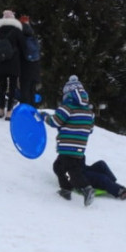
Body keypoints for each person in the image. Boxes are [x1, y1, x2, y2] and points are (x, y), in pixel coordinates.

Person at [40, 75, 96, 206]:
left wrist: (45, 116)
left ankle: (87, 189)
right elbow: (90, 129)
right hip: (80, 149)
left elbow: (55, 121)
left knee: (74, 174)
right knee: (58, 167)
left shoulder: (68, 108)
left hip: (67, 147)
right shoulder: (89, 112)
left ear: (68, 94)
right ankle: (65, 189)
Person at [0, 10, 27, 120]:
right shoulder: (17, 31)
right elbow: (23, 46)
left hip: (1, 62)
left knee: (2, 86)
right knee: (12, 87)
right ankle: (9, 111)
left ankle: (0, 109)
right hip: (13, 62)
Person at [18, 15, 41, 106]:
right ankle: (32, 109)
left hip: (25, 67)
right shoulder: (33, 37)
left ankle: (25, 110)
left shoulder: (21, 36)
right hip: (34, 67)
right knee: (32, 90)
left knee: (24, 89)